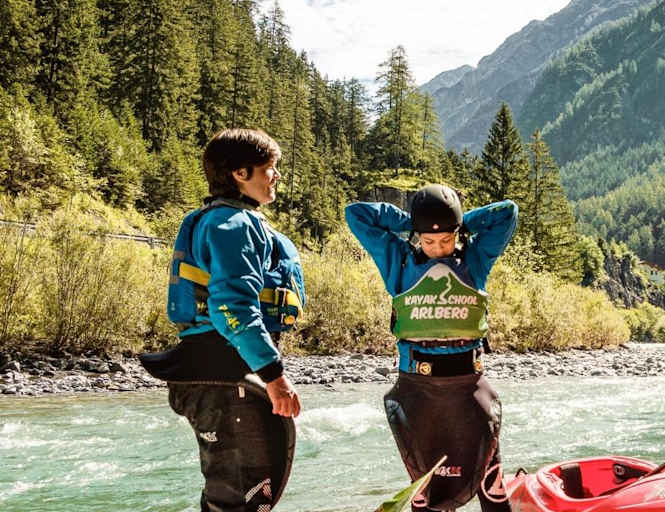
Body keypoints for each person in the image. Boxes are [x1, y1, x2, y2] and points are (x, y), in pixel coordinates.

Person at [139, 128, 305, 511]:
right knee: (241, 497)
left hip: (215, 375)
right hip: (225, 375)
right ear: (240, 174)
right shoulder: (234, 224)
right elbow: (234, 308)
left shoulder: (219, 221)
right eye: (269, 168)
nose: (276, 176)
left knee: (238, 495)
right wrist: (275, 378)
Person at [346, 184, 517, 512]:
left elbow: (507, 212)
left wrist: (459, 221)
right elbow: (356, 214)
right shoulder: (398, 261)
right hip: (417, 389)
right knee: (429, 490)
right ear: (415, 237)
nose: (438, 248)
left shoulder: (475, 260)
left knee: (490, 479)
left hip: (469, 385)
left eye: (447, 239)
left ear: (458, 235)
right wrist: (411, 221)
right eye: (428, 240)